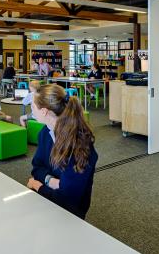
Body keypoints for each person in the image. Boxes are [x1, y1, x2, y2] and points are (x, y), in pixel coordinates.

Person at [27, 84, 97, 219]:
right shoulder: (45, 133)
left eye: (32, 106)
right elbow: (37, 168)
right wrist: (52, 182)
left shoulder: (79, 146)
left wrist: (37, 185)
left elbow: (67, 200)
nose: (31, 110)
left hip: (71, 214)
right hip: (47, 201)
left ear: (44, 111)